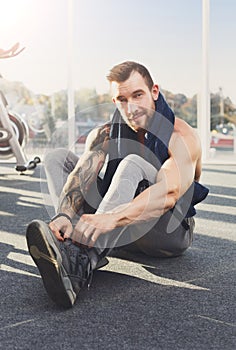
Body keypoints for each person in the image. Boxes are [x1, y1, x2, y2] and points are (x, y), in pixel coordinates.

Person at [26, 61, 209, 308]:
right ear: (114, 102)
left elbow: (170, 192)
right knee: (57, 158)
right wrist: (65, 214)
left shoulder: (181, 136)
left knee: (132, 162)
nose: (131, 107)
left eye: (138, 95)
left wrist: (111, 218)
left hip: (166, 233)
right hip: (118, 229)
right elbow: (83, 170)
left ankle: (78, 262)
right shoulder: (106, 132)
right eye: (122, 99)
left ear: (154, 92)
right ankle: (70, 241)